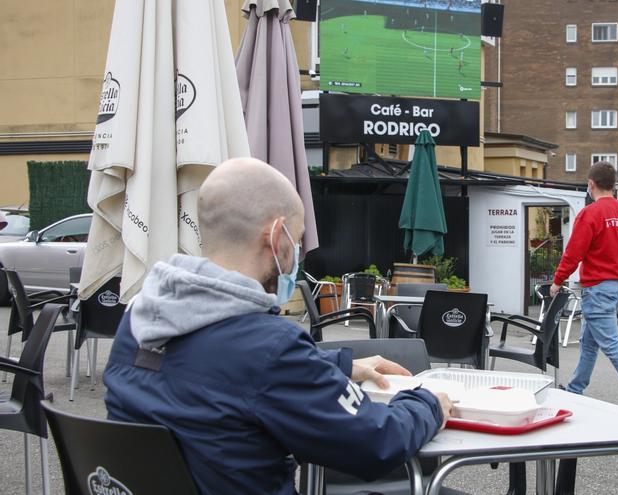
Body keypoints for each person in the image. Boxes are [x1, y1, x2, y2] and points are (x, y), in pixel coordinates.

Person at [104, 158, 453, 495]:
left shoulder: (139, 320)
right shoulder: (269, 349)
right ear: (275, 235)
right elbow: (377, 441)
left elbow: (214, 372)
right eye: (297, 238)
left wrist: (339, 366)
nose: (297, 253)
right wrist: (427, 403)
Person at [549, 161, 618, 413]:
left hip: (597, 287)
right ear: (614, 185)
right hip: (617, 286)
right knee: (589, 342)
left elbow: (574, 252)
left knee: (611, 344)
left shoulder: (590, 214)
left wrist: (557, 280)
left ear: (591, 184)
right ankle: (575, 389)